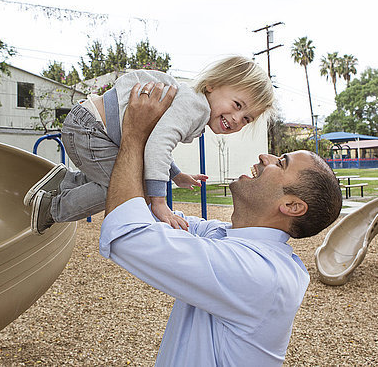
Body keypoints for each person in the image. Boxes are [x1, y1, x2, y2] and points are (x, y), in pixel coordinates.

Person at [100, 82, 343, 366]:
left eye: (282, 163)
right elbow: (143, 213)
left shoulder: (259, 273)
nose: (265, 157)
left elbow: (127, 235)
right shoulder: (226, 238)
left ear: (291, 206)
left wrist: (134, 135)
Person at [25, 55, 275, 234]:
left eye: (246, 119)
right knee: (123, 191)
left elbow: (154, 143)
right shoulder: (196, 106)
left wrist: (176, 175)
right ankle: (52, 208)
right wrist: (158, 201)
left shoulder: (192, 104)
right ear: (212, 85)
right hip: (92, 130)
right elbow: (158, 145)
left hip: (89, 125)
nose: (236, 119)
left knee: (120, 179)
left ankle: (64, 182)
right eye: (237, 105)